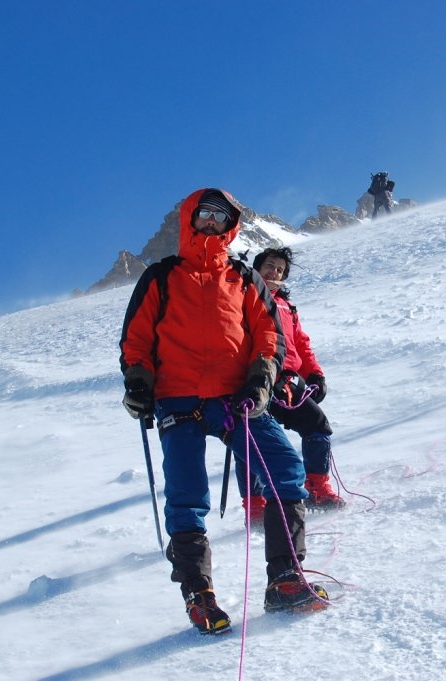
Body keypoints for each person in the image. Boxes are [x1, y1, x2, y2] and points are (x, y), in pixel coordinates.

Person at [119, 187, 326, 633]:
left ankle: (285, 579)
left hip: (237, 399)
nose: (212, 221)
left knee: (285, 469)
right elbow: (137, 337)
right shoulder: (160, 276)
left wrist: (260, 382)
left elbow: (269, 335)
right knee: (187, 495)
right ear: (190, 218)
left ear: (231, 223)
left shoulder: (243, 277)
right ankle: (199, 594)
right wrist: (138, 381)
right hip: (178, 398)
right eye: (205, 213)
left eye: (221, 215)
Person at [236, 247, 344, 524]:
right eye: (270, 266)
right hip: (253, 380)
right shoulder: (242, 294)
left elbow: (300, 343)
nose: (275, 272)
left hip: (285, 381)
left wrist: (315, 375)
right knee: (250, 441)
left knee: (317, 425)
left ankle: (316, 488)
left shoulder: (286, 306)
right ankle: (255, 505)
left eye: (280, 270)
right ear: (257, 268)